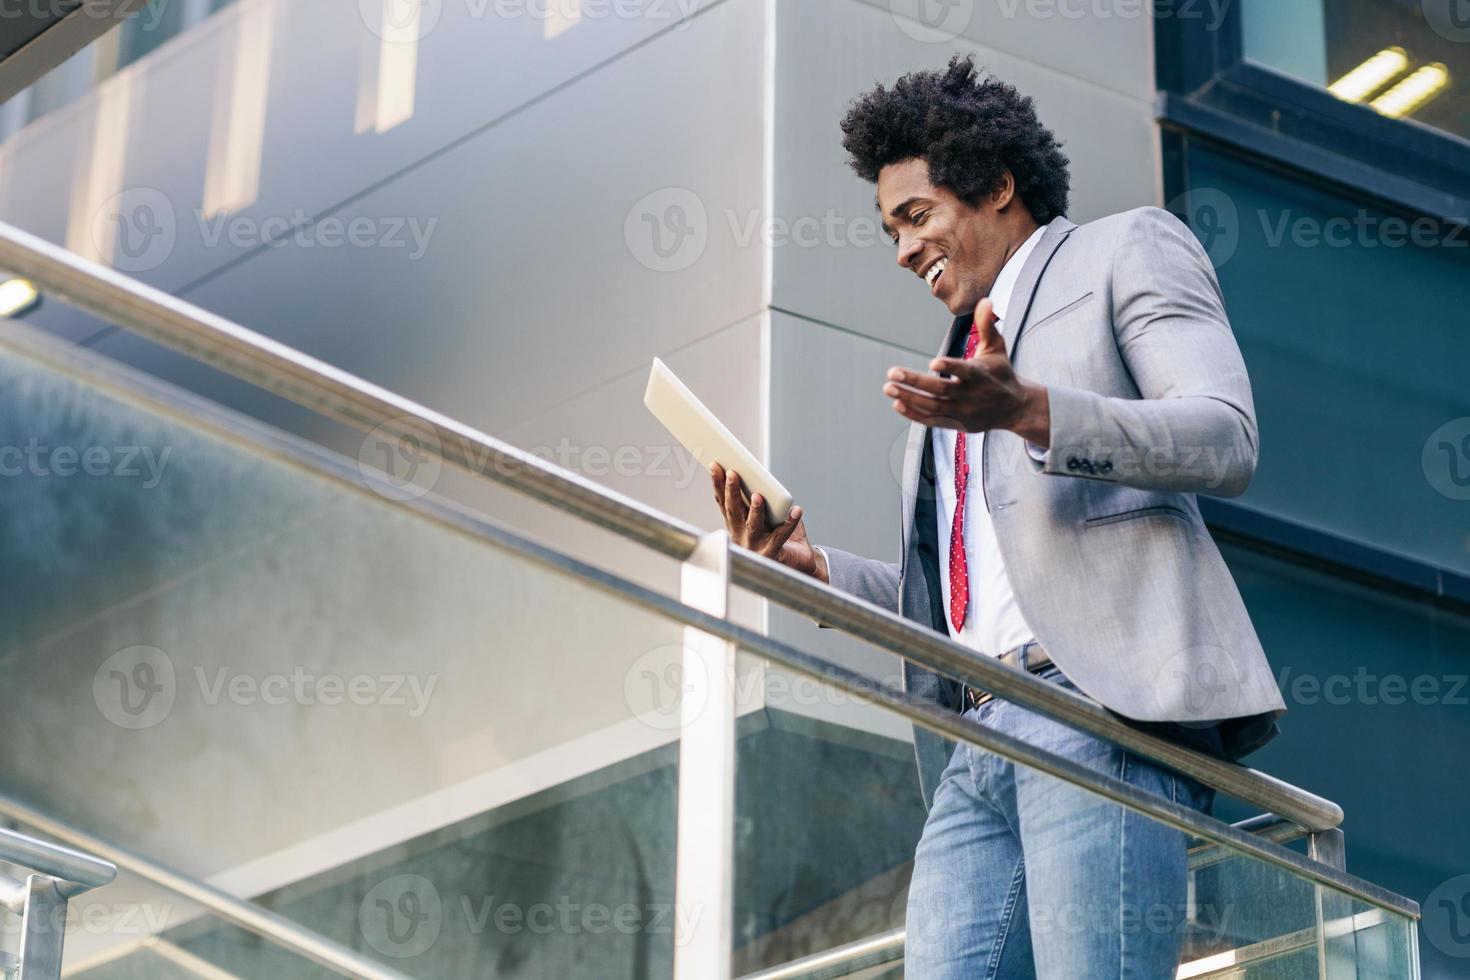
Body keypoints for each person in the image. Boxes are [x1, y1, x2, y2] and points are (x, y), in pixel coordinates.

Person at [708, 55, 1285, 979]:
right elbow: (957, 604)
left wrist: (1034, 412)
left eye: (915, 215)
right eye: (890, 230)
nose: (900, 248)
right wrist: (812, 572)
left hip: (1095, 715)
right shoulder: (954, 373)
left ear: (998, 186)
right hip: (970, 743)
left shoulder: (1123, 250)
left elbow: (1226, 437)